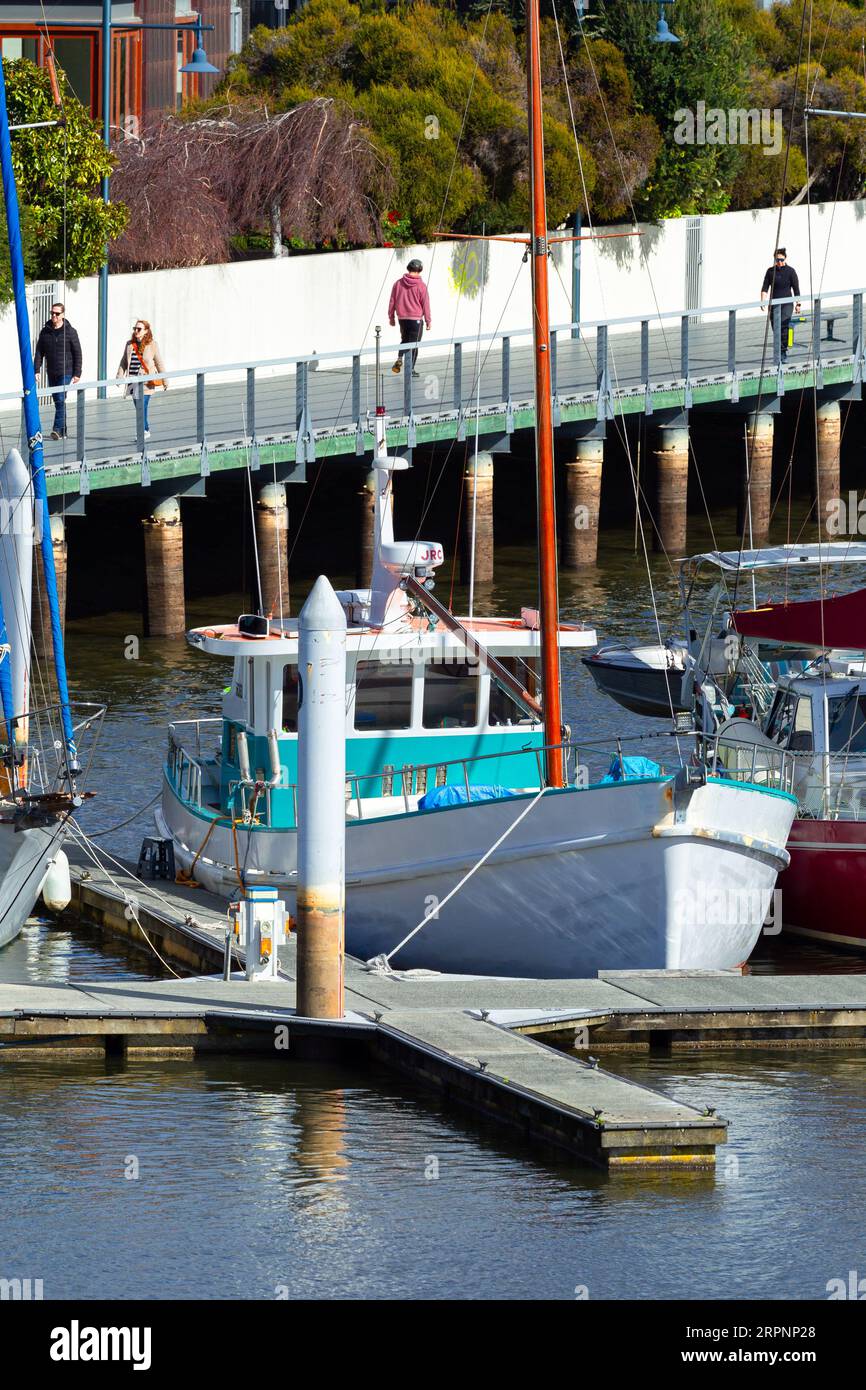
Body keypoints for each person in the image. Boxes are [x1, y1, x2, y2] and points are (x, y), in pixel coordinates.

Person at [33, 302, 82, 439]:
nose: (54, 316)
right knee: (58, 402)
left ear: (63, 315)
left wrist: (77, 373)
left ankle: (56, 430)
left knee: (60, 399)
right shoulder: (45, 331)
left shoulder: (70, 332)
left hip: (66, 372)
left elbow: (77, 352)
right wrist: (36, 370)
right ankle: (63, 430)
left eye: (57, 313)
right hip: (52, 372)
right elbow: (39, 352)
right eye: (52, 313)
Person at [116, 319, 167, 439]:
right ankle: (146, 429)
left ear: (146, 331)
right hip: (132, 381)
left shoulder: (152, 345)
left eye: (139, 329)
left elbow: (159, 363)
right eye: (135, 329)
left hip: (146, 382)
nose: (136, 331)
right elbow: (124, 361)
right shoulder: (129, 344)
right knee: (139, 408)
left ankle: (142, 432)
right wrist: (119, 376)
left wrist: (165, 380)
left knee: (141, 406)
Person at [388, 259, 431, 377]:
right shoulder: (421, 286)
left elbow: (392, 301)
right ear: (420, 270)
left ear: (408, 268)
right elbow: (425, 304)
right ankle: (410, 369)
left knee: (405, 340)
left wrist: (391, 317)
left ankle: (400, 357)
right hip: (415, 320)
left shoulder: (398, 283)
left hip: (402, 319)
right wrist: (428, 320)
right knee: (414, 344)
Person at [760, 248, 801, 363]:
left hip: (787, 304)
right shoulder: (770, 272)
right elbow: (765, 287)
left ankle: (783, 351)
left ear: (785, 258)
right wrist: (763, 301)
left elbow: (796, 289)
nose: (779, 262)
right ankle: (778, 351)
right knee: (775, 329)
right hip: (774, 305)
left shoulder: (791, 271)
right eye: (777, 260)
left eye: (782, 259)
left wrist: (798, 304)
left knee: (783, 327)